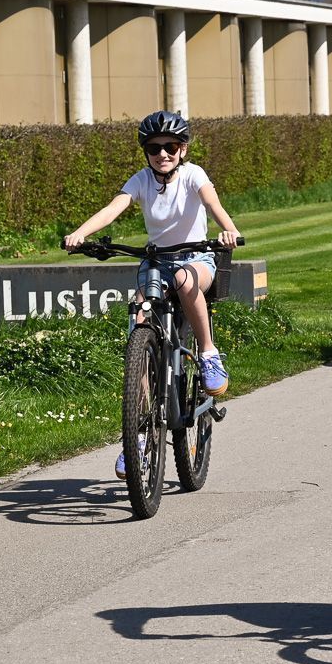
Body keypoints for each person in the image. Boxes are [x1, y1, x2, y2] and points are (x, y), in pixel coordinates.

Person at [63, 110, 241, 476]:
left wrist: (229, 230)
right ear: (146, 151)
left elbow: (213, 204)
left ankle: (208, 353)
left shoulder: (194, 174)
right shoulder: (142, 180)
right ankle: (138, 436)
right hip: (157, 260)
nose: (163, 154)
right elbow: (115, 208)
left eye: (171, 147)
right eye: (155, 147)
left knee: (186, 281)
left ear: (183, 149)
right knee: (140, 318)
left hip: (196, 257)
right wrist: (81, 232)